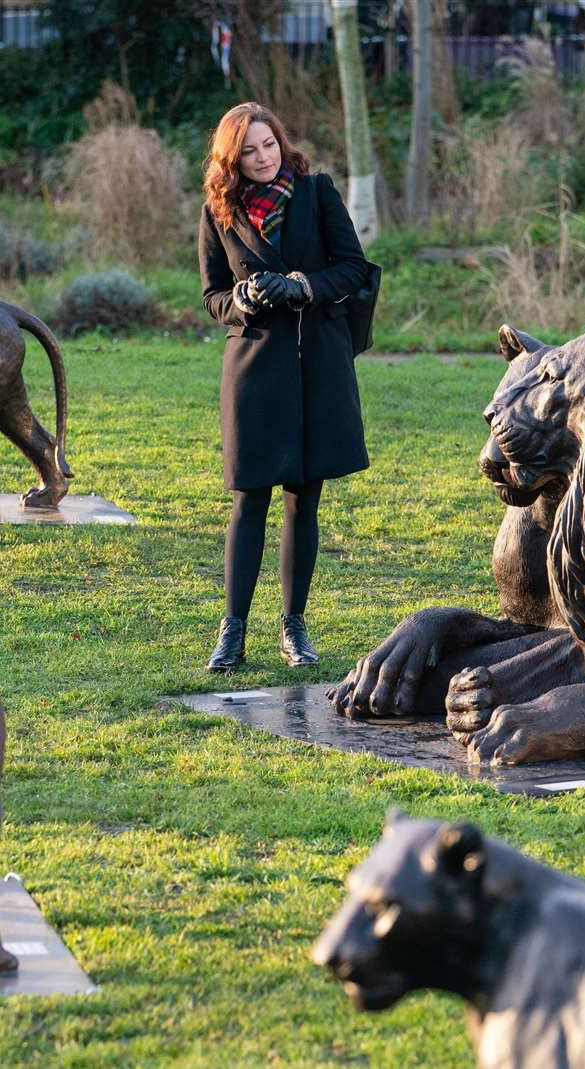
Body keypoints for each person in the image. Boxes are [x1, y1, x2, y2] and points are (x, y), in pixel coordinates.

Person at [197, 102, 374, 672]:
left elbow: (353, 268)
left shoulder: (317, 192)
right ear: (232, 159)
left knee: (304, 498)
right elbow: (212, 296)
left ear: (281, 142)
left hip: (316, 364)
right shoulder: (218, 212)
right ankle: (233, 631)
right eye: (248, 151)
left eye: (268, 145)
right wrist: (241, 300)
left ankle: (294, 628)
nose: (262, 158)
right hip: (254, 369)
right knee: (249, 498)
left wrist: (303, 286)